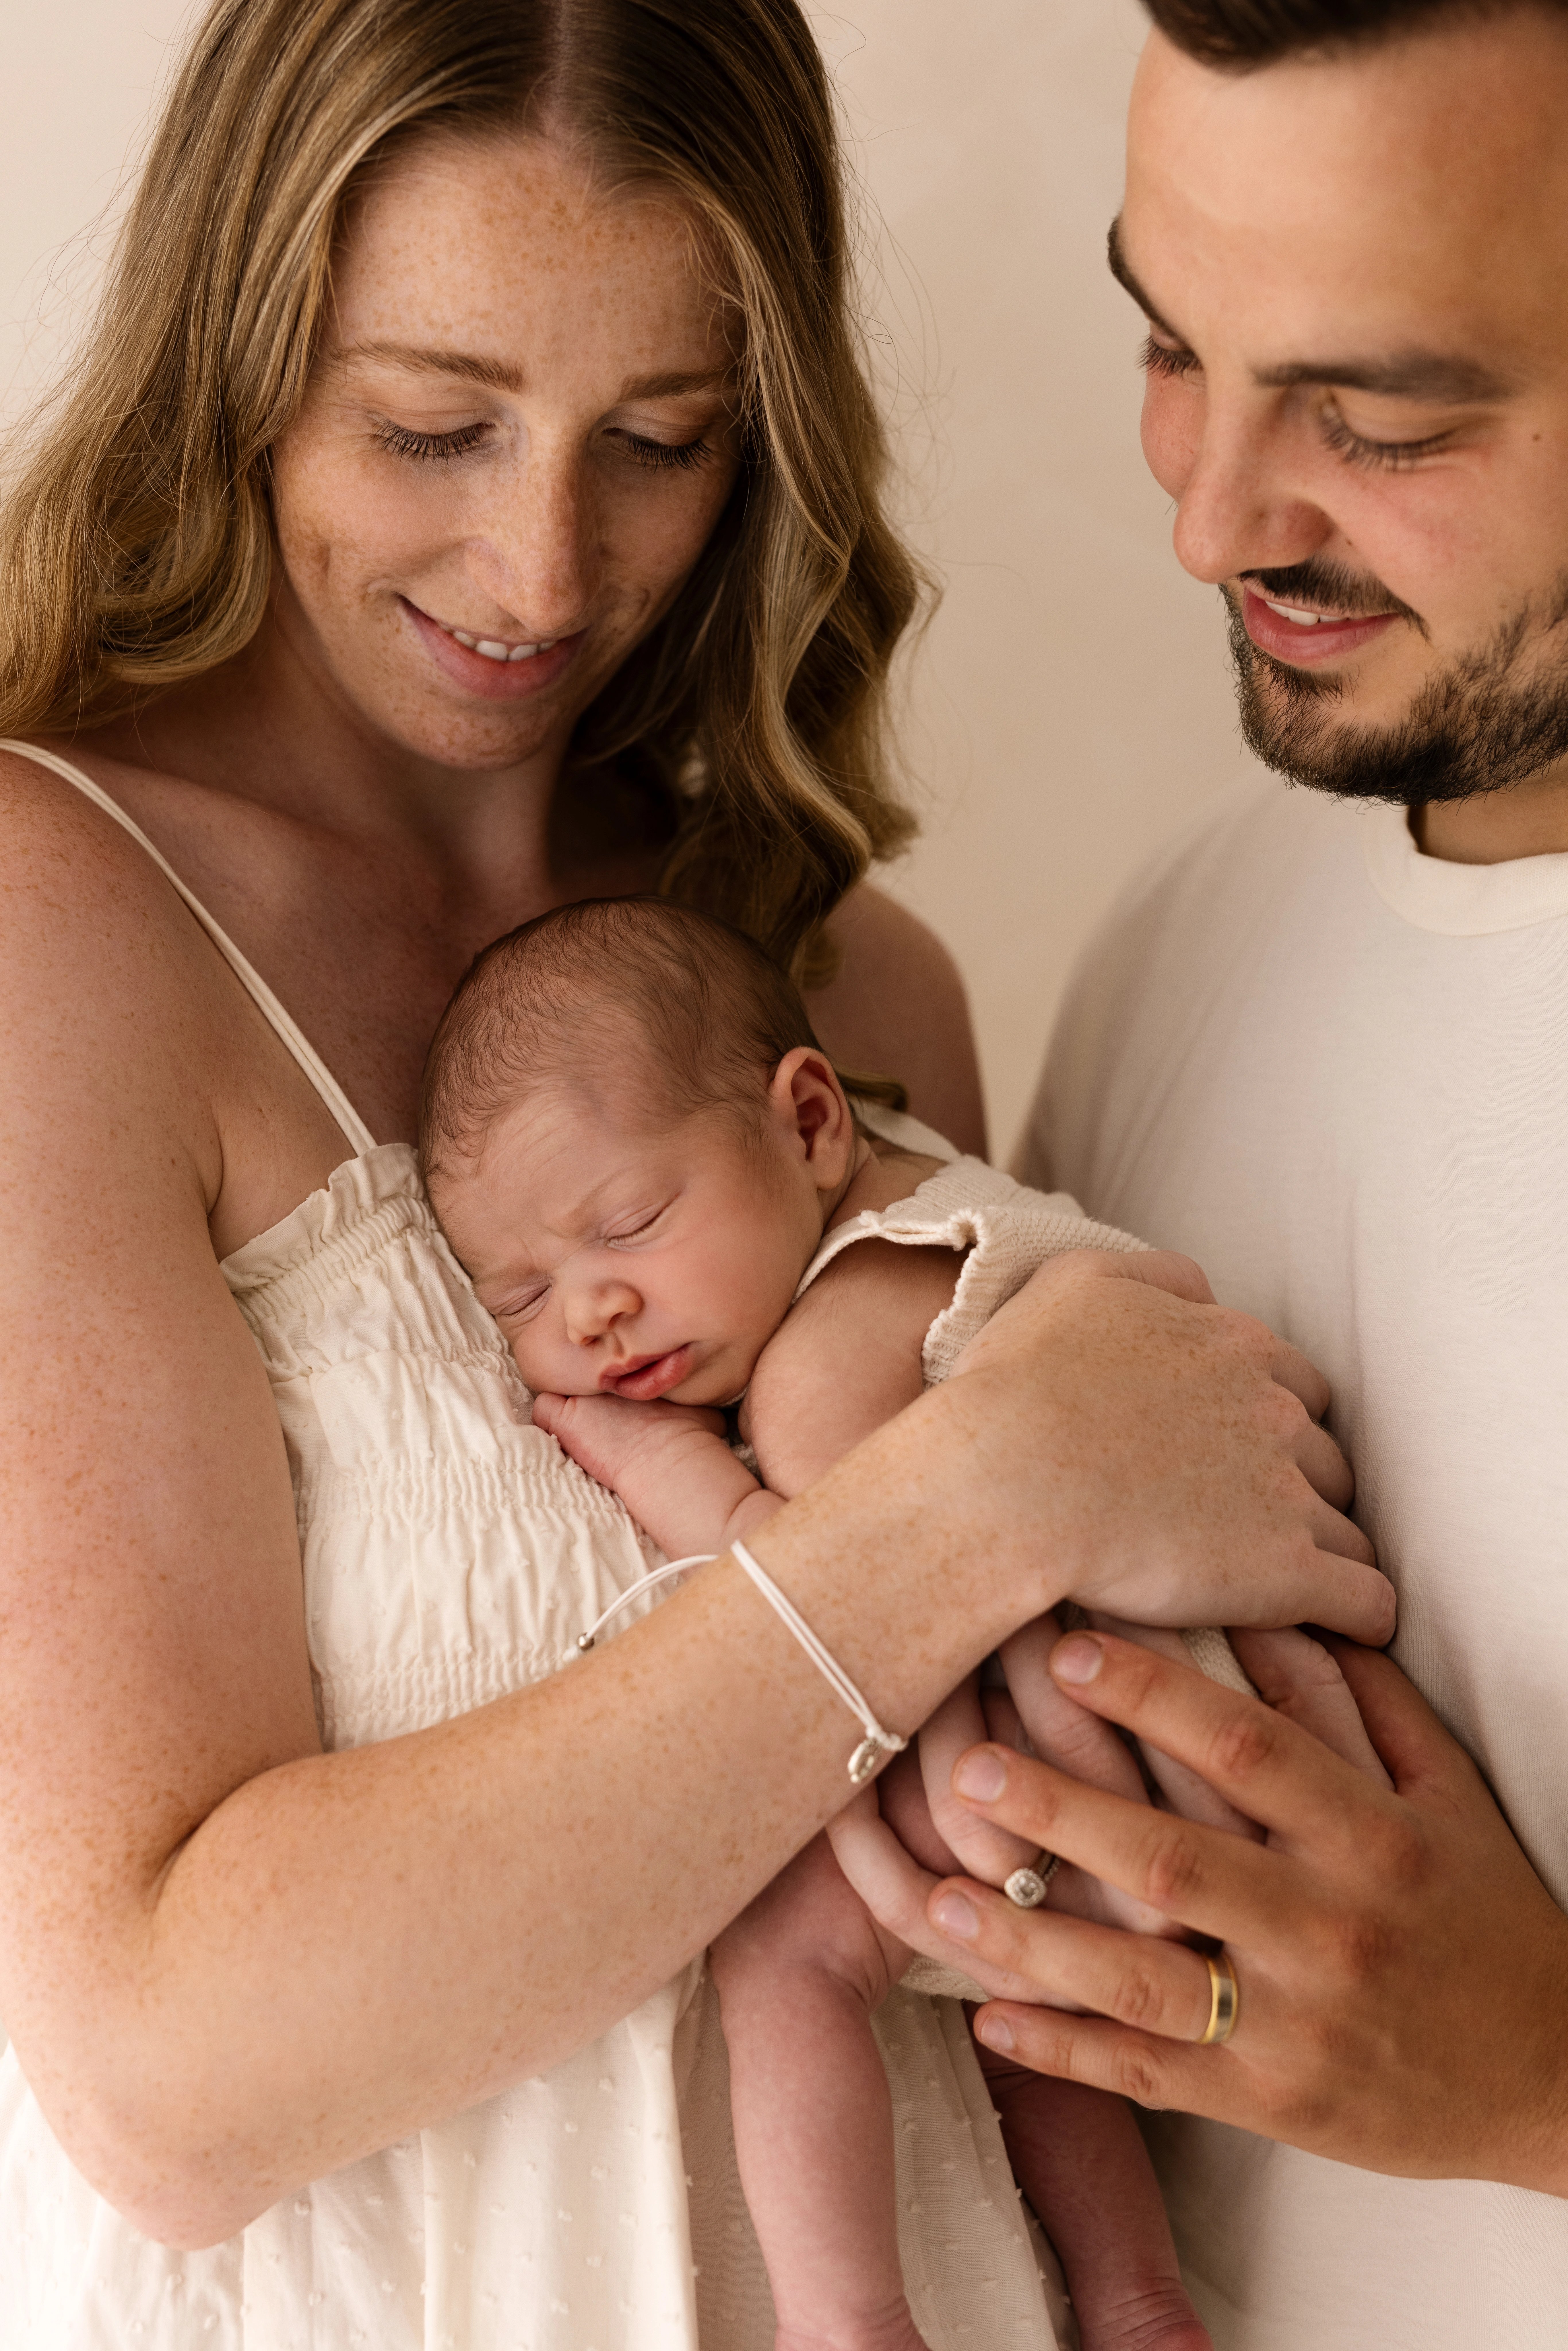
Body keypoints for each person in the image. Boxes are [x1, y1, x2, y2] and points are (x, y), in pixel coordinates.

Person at [0, 3, 1394, 2348]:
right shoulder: (61, 928)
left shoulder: (853, 987)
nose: (543, 567)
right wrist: (976, 1499)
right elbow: (167, 2071)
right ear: (234, 364)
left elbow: (1039, 1826)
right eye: (429, 425)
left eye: (658, 439)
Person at [833, 5, 1568, 2348]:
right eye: (1168, 343)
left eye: (1373, 416)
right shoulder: (1183, 947)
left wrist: (1539, 2081)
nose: (1207, 515)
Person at [422, 894, 1381, 2351]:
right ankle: (1132, 2297)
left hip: (1125, 1714)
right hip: (1134, 1753)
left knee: (790, 1956)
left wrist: (676, 1471)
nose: (596, 1309)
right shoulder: (864, 1255)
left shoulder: (867, 1299)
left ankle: (849, 2319)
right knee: (1028, 2003)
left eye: (626, 1223)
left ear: (810, 1121)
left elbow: (825, 1585)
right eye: (523, 1296)